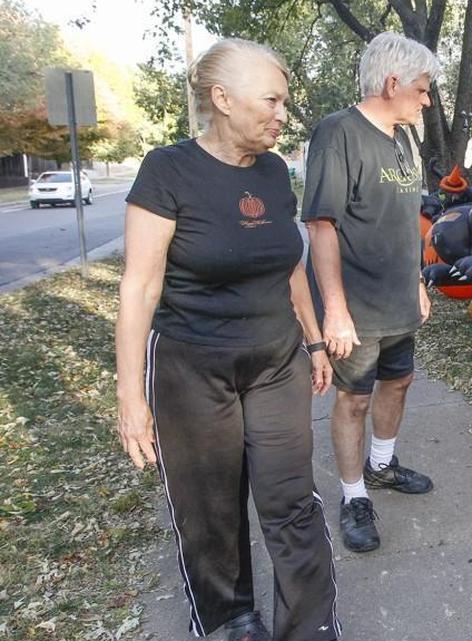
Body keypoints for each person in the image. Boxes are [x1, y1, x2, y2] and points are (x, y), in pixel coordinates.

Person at [115, 39, 340, 641]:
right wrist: (130, 396)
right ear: (222, 98)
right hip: (192, 367)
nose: (282, 114)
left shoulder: (272, 171)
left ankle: (310, 629)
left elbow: (289, 262)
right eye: (272, 100)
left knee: (292, 499)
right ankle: (232, 619)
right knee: (209, 508)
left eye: (285, 102)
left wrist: (314, 340)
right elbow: (139, 286)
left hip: (274, 360)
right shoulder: (168, 170)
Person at [302, 32, 441, 553]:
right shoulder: (337, 133)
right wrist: (334, 311)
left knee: (399, 384)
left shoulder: (403, 136)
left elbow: (406, 222)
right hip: (355, 309)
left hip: (399, 300)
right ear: (392, 83)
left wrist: (419, 281)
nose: (427, 99)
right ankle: (354, 494)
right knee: (354, 400)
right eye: (422, 89)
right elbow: (321, 226)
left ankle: (381, 466)